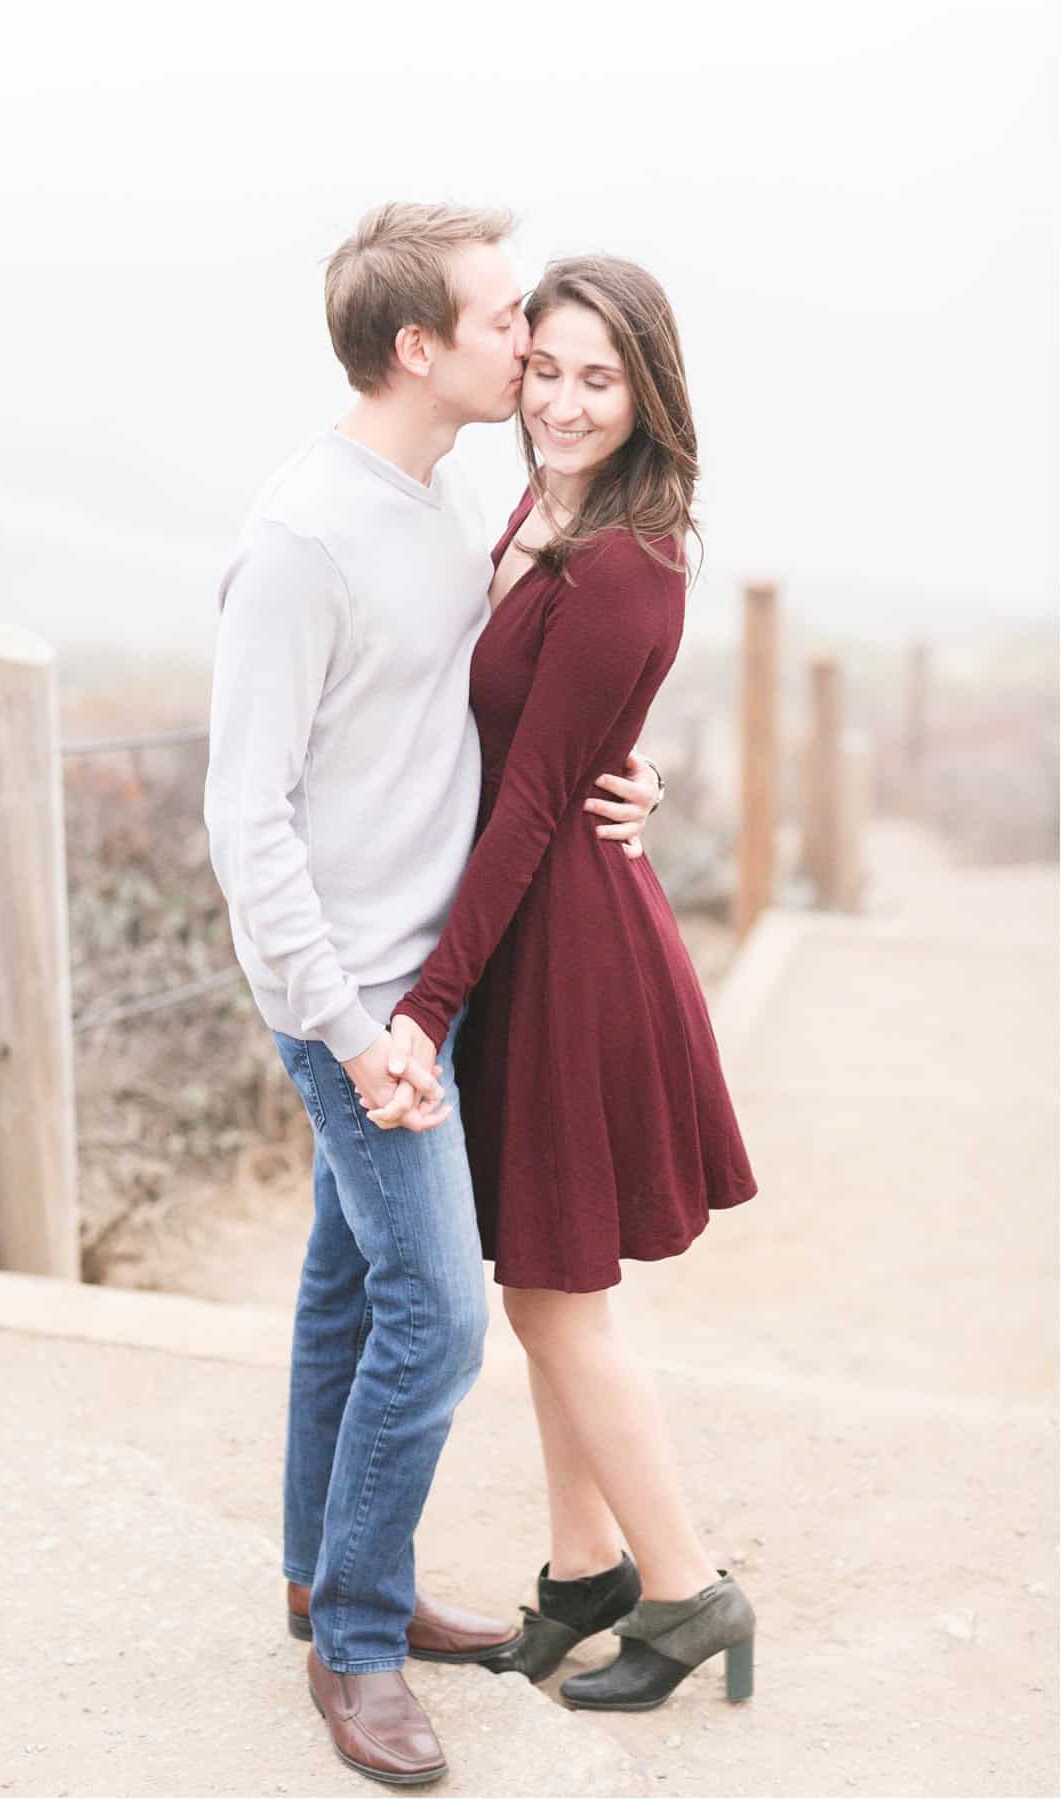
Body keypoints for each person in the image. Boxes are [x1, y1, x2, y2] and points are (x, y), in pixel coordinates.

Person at [203, 205, 662, 1786]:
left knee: (349, 1290)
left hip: (426, 983)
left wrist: (628, 771)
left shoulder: (441, 495)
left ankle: (317, 1578)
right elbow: (243, 819)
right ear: (419, 346)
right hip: (361, 1000)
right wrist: (351, 1027)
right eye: (497, 316)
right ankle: (358, 1648)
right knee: (440, 1319)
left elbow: (489, 713)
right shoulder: (305, 538)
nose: (525, 340)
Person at [378, 255, 760, 1715]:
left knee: (553, 1301)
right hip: (536, 932)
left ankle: (685, 1591)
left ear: (647, 393)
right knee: (545, 1267)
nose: (562, 400)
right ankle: (581, 1575)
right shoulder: (547, 508)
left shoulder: (626, 558)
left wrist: (423, 1006)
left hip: (572, 947)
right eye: (548, 368)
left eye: (600, 380)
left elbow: (537, 799)